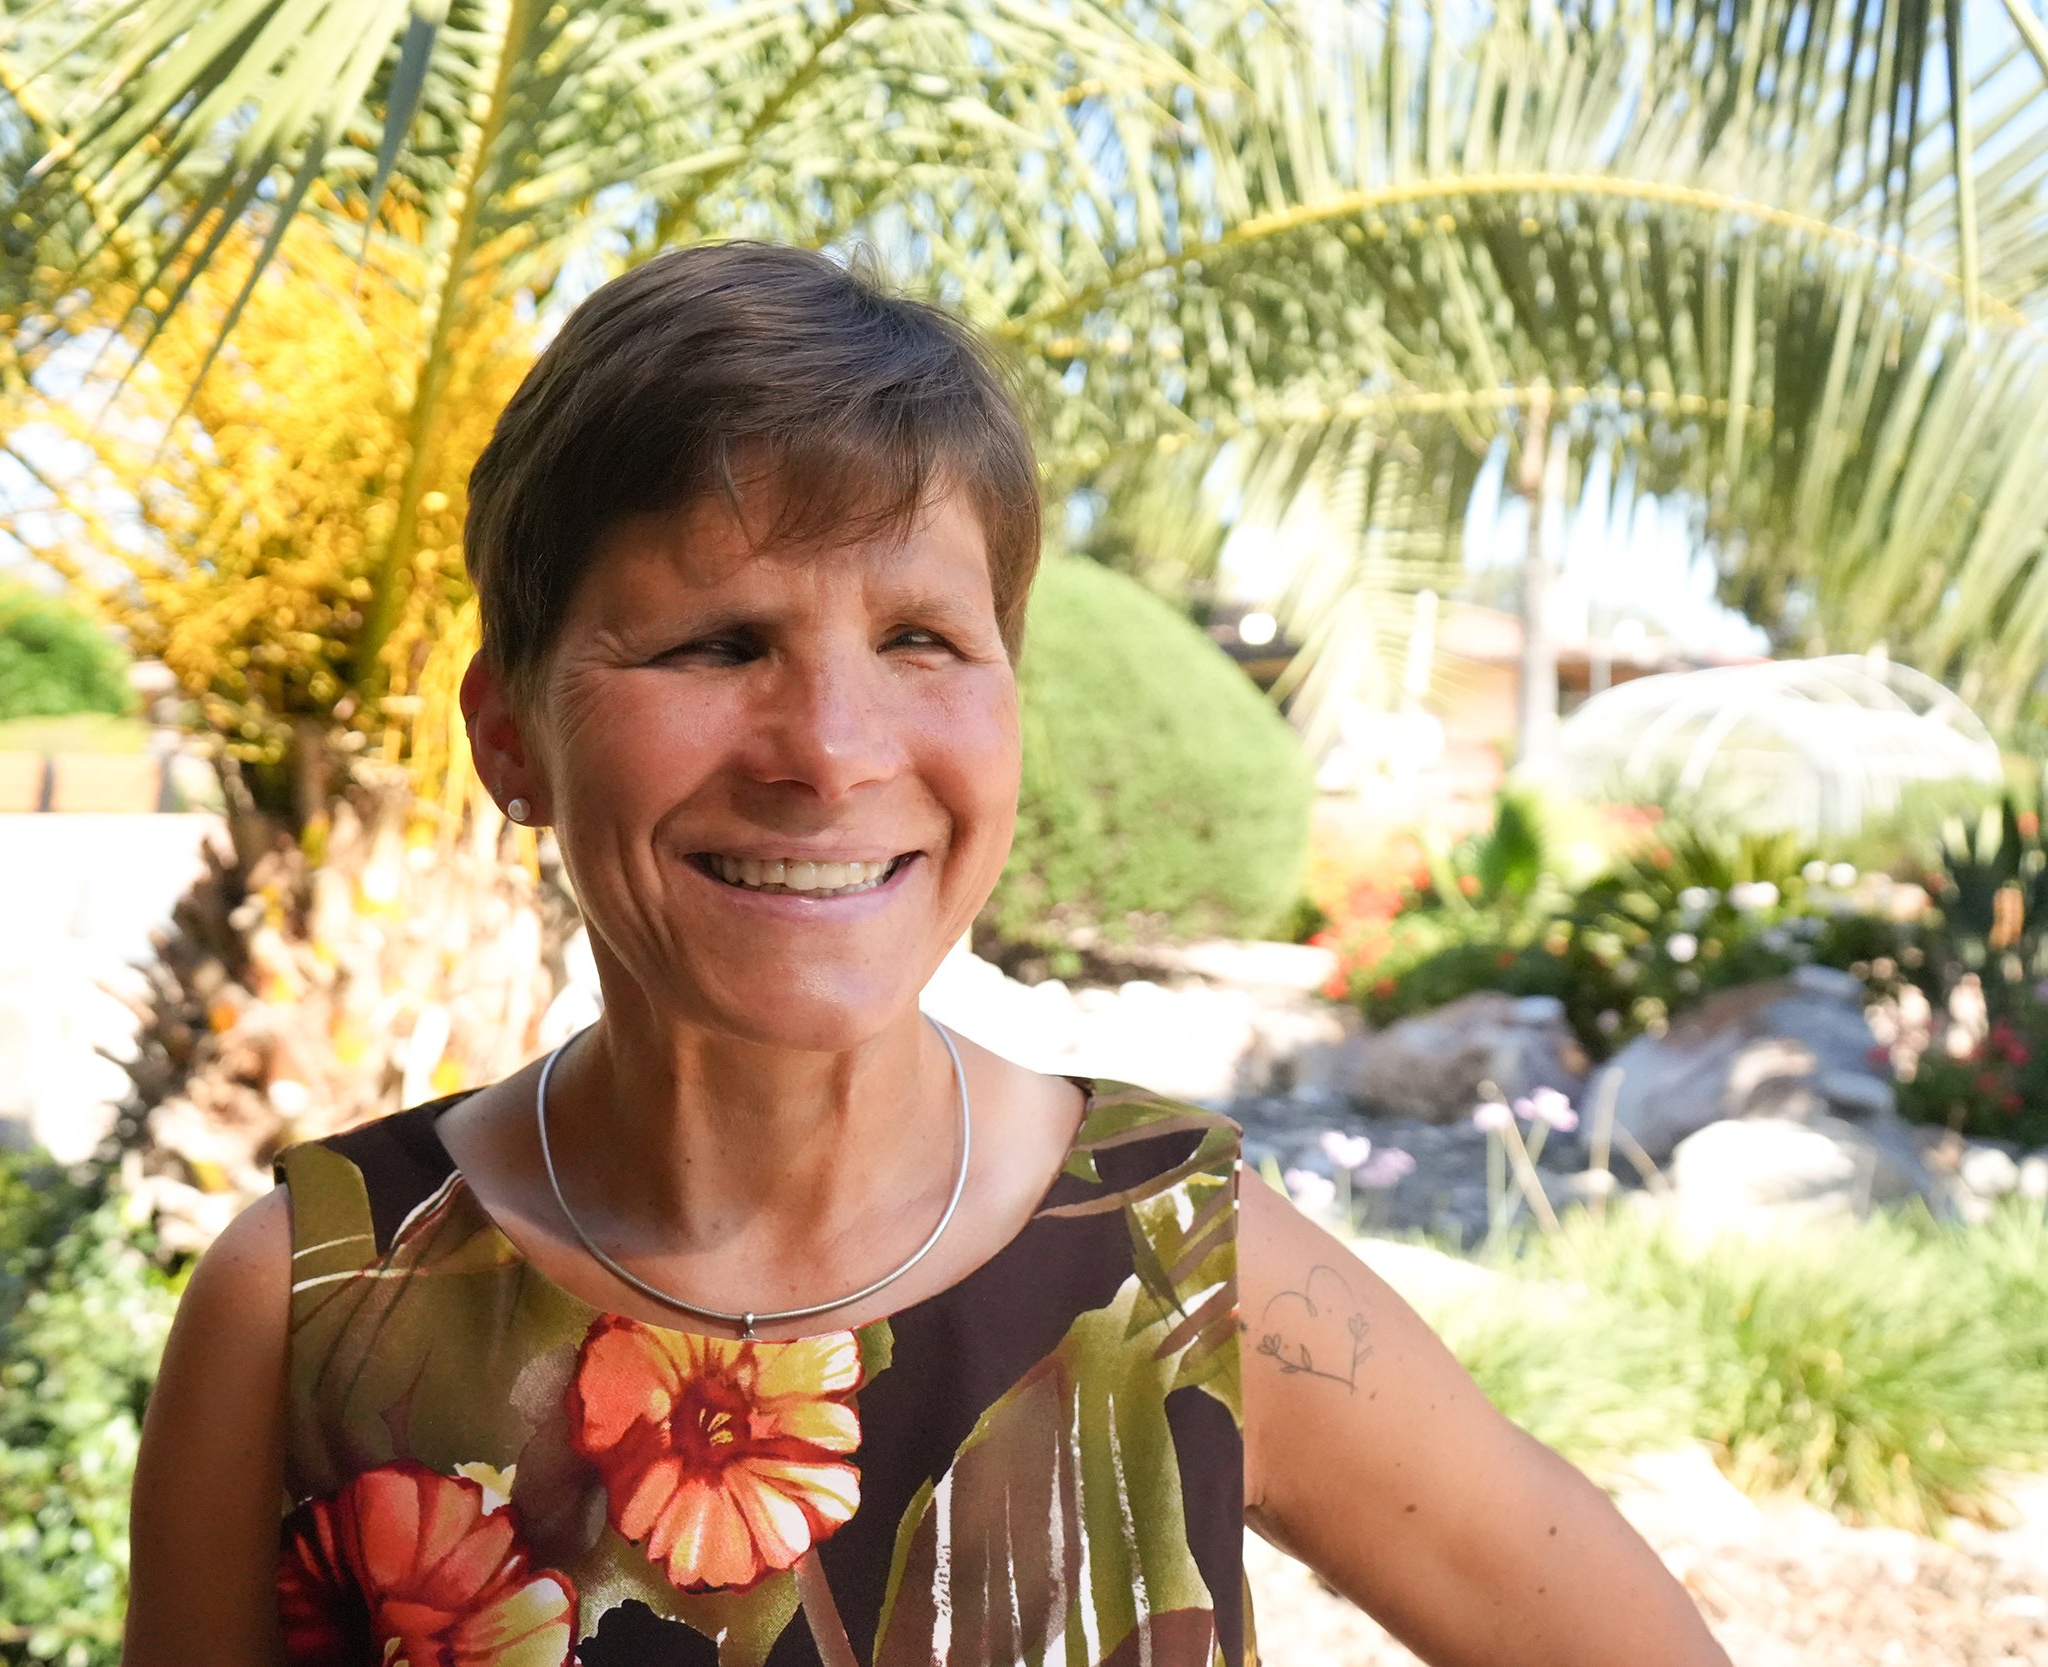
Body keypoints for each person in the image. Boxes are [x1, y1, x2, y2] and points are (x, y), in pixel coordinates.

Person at [123, 242, 1731, 1667]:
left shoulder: (1186, 1271)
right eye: (715, 641)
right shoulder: (312, 1304)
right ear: (509, 736)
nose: (830, 750)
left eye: (921, 641)